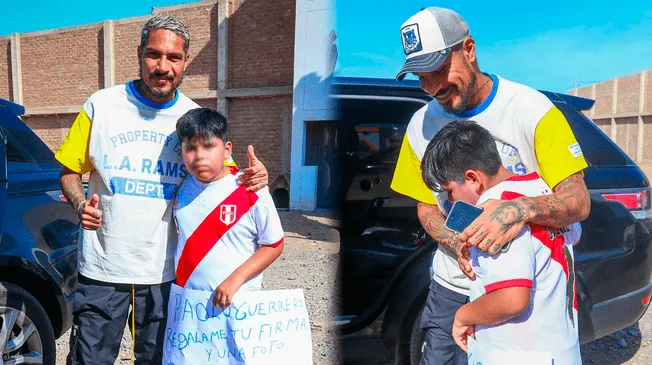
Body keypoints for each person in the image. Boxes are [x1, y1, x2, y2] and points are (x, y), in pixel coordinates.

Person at [55, 15, 269, 364]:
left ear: (185, 61)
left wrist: (255, 175)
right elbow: (68, 171)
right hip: (103, 268)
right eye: (154, 55)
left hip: (165, 273)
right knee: (88, 360)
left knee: (159, 359)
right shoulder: (101, 105)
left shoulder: (193, 117)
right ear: (140, 54)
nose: (162, 67)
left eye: (173, 58)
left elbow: (225, 177)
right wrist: (79, 203)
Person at [391, 7, 590, 364]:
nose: (433, 87)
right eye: (421, 77)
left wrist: (516, 209)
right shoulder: (419, 125)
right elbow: (425, 206)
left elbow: (578, 200)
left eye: (438, 71)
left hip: (526, 293)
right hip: (452, 287)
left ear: (468, 49)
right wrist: (458, 243)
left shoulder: (532, 110)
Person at [421, 120, 581, 364]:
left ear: (473, 178)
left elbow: (511, 299)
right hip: (561, 348)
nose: (450, 201)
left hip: (517, 354)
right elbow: (575, 234)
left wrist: (463, 316)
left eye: (450, 191)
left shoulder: (493, 217)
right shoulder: (542, 191)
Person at [173, 108, 284, 310]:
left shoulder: (250, 189)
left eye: (208, 146)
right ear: (181, 152)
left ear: (227, 150)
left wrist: (236, 279)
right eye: (190, 148)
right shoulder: (180, 188)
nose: (199, 156)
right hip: (189, 306)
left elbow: (274, 244)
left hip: (236, 304)